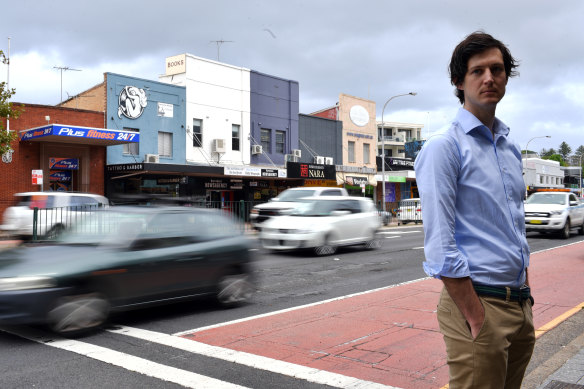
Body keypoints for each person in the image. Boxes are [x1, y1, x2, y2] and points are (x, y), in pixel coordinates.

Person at [414, 31, 535, 388]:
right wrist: (475, 314)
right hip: (480, 305)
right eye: (477, 70)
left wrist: (525, 289)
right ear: (458, 81)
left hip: (519, 303)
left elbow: (513, 223)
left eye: (497, 69)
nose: (489, 78)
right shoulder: (444, 147)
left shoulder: (510, 147)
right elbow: (439, 243)